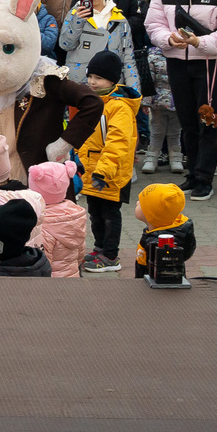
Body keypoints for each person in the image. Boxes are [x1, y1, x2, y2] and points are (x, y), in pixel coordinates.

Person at [71, 49, 137, 272]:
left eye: (98, 78)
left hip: (110, 173)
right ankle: (99, 249)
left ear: (112, 79)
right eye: (90, 77)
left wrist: (104, 171)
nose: (92, 82)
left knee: (110, 215)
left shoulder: (119, 107)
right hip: (92, 171)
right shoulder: (92, 101)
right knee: (95, 214)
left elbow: (118, 143)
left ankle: (111, 256)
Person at [132, 182, 195, 279]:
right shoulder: (155, 233)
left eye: (141, 203)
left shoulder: (159, 244)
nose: (137, 203)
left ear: (152, 214)